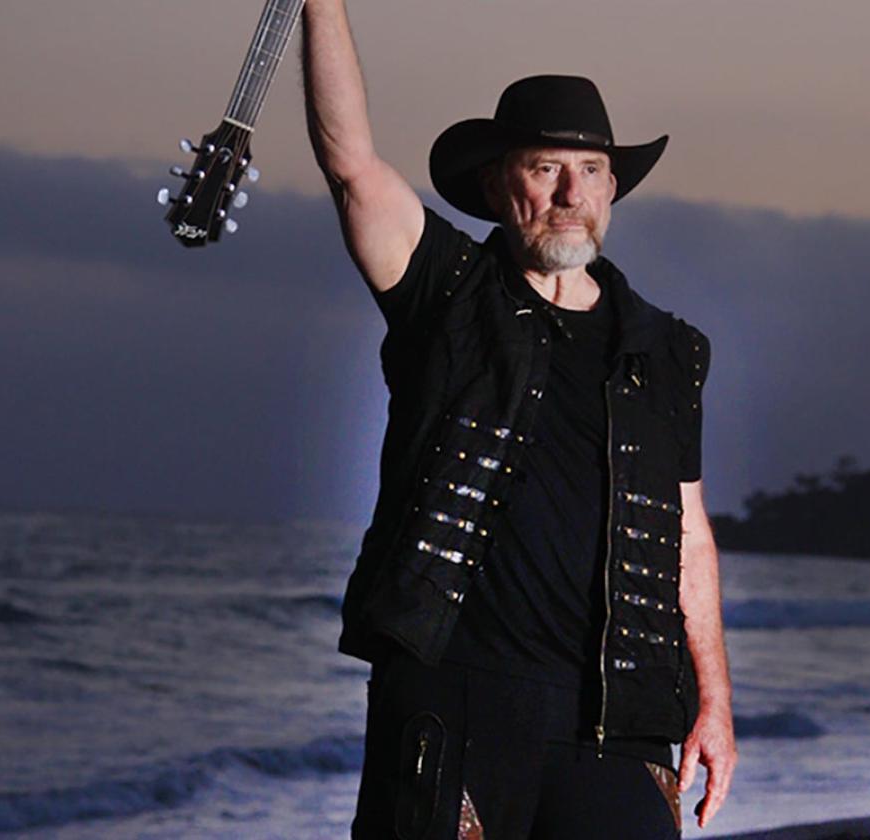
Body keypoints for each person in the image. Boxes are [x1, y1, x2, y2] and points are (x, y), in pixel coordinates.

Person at [300, 3, 735, 837]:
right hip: (454, 705)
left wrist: (713, 702)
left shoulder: (669, 351)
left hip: (621, 720)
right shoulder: (446, 293)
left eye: (590, 170)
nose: (571, 194)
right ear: (501, 183)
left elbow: (690, 533)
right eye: (545, 168)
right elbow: (351, 164)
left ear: (613, 188)